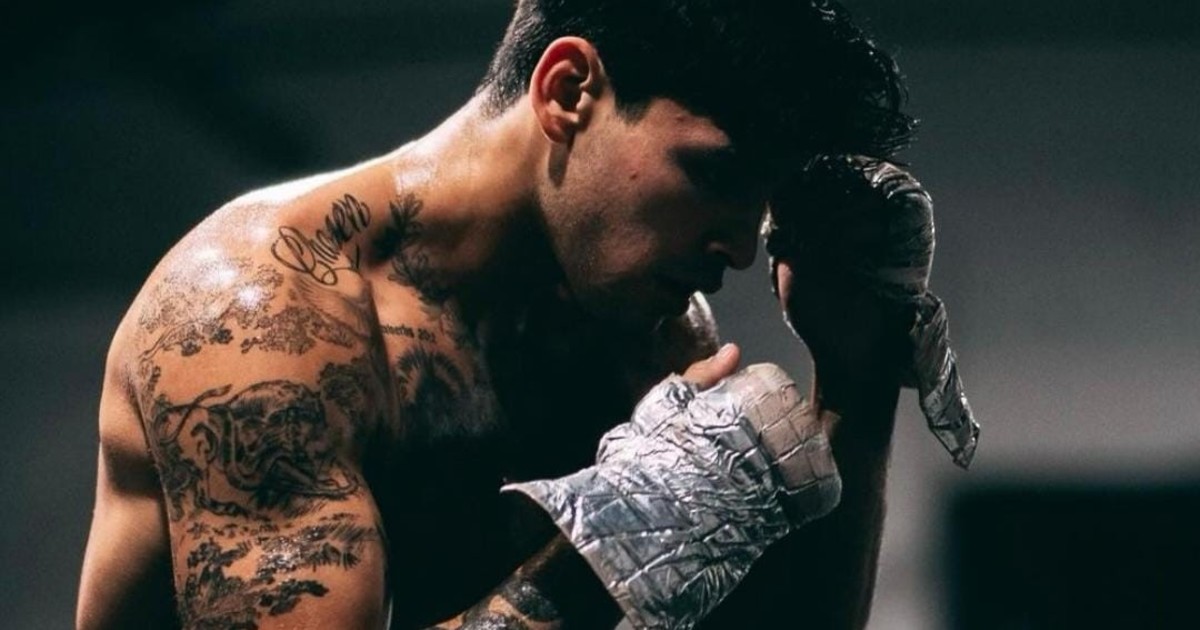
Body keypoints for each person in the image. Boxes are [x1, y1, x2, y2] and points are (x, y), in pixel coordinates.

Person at [76, 1, 924, 628]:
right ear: (568, 90)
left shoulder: (637, 330)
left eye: (761, 205)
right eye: (717, 175)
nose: (740, 250)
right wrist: (616, 541)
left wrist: (859, 376)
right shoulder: (263, 322)